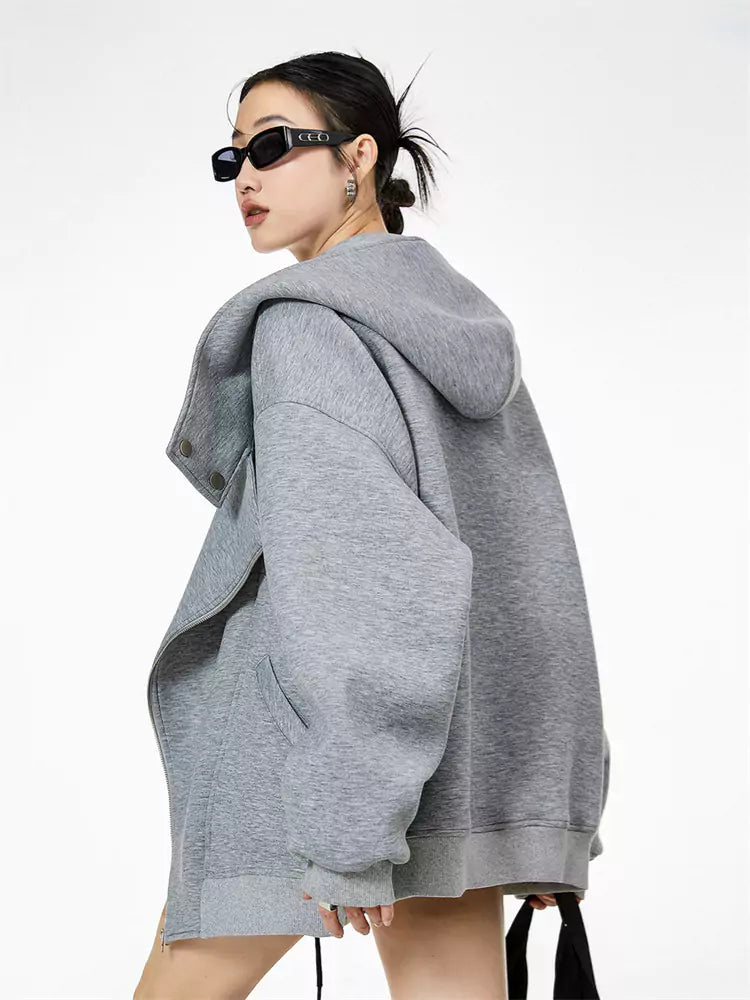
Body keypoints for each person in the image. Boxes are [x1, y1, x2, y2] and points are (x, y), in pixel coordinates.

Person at [134, 48, 609, 1000]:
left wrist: (349, 821)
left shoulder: (307, 327)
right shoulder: (455, 328)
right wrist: (539, 810)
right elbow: (534, 587)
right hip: (456, 766)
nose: (246, 177)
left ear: (359, 157)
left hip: (323, 765)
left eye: (272, 145)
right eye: (232, 157)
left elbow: (360, 583)